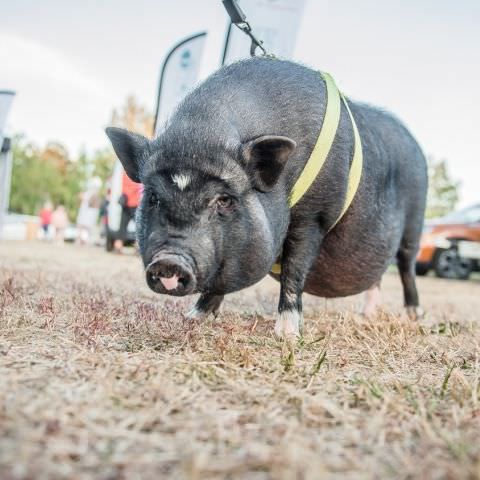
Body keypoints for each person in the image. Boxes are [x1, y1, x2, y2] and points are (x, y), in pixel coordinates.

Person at [114, 172, 142, 253]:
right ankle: (138, 248)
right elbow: (137, 186)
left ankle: (118, 247)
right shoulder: (135, 172)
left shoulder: (125, 172)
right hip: (135, 202)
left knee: (122, 226)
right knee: (139, 227)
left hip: (126, 203)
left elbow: (123, 186)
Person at [76, 177, 102, 245]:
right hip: (86, 211)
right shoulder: (89, 192)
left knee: (86, 227)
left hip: (89, 212)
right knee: (82, 226)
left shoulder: (94, 194)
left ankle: (84, 240)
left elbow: (88, 200)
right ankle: (81, 240)